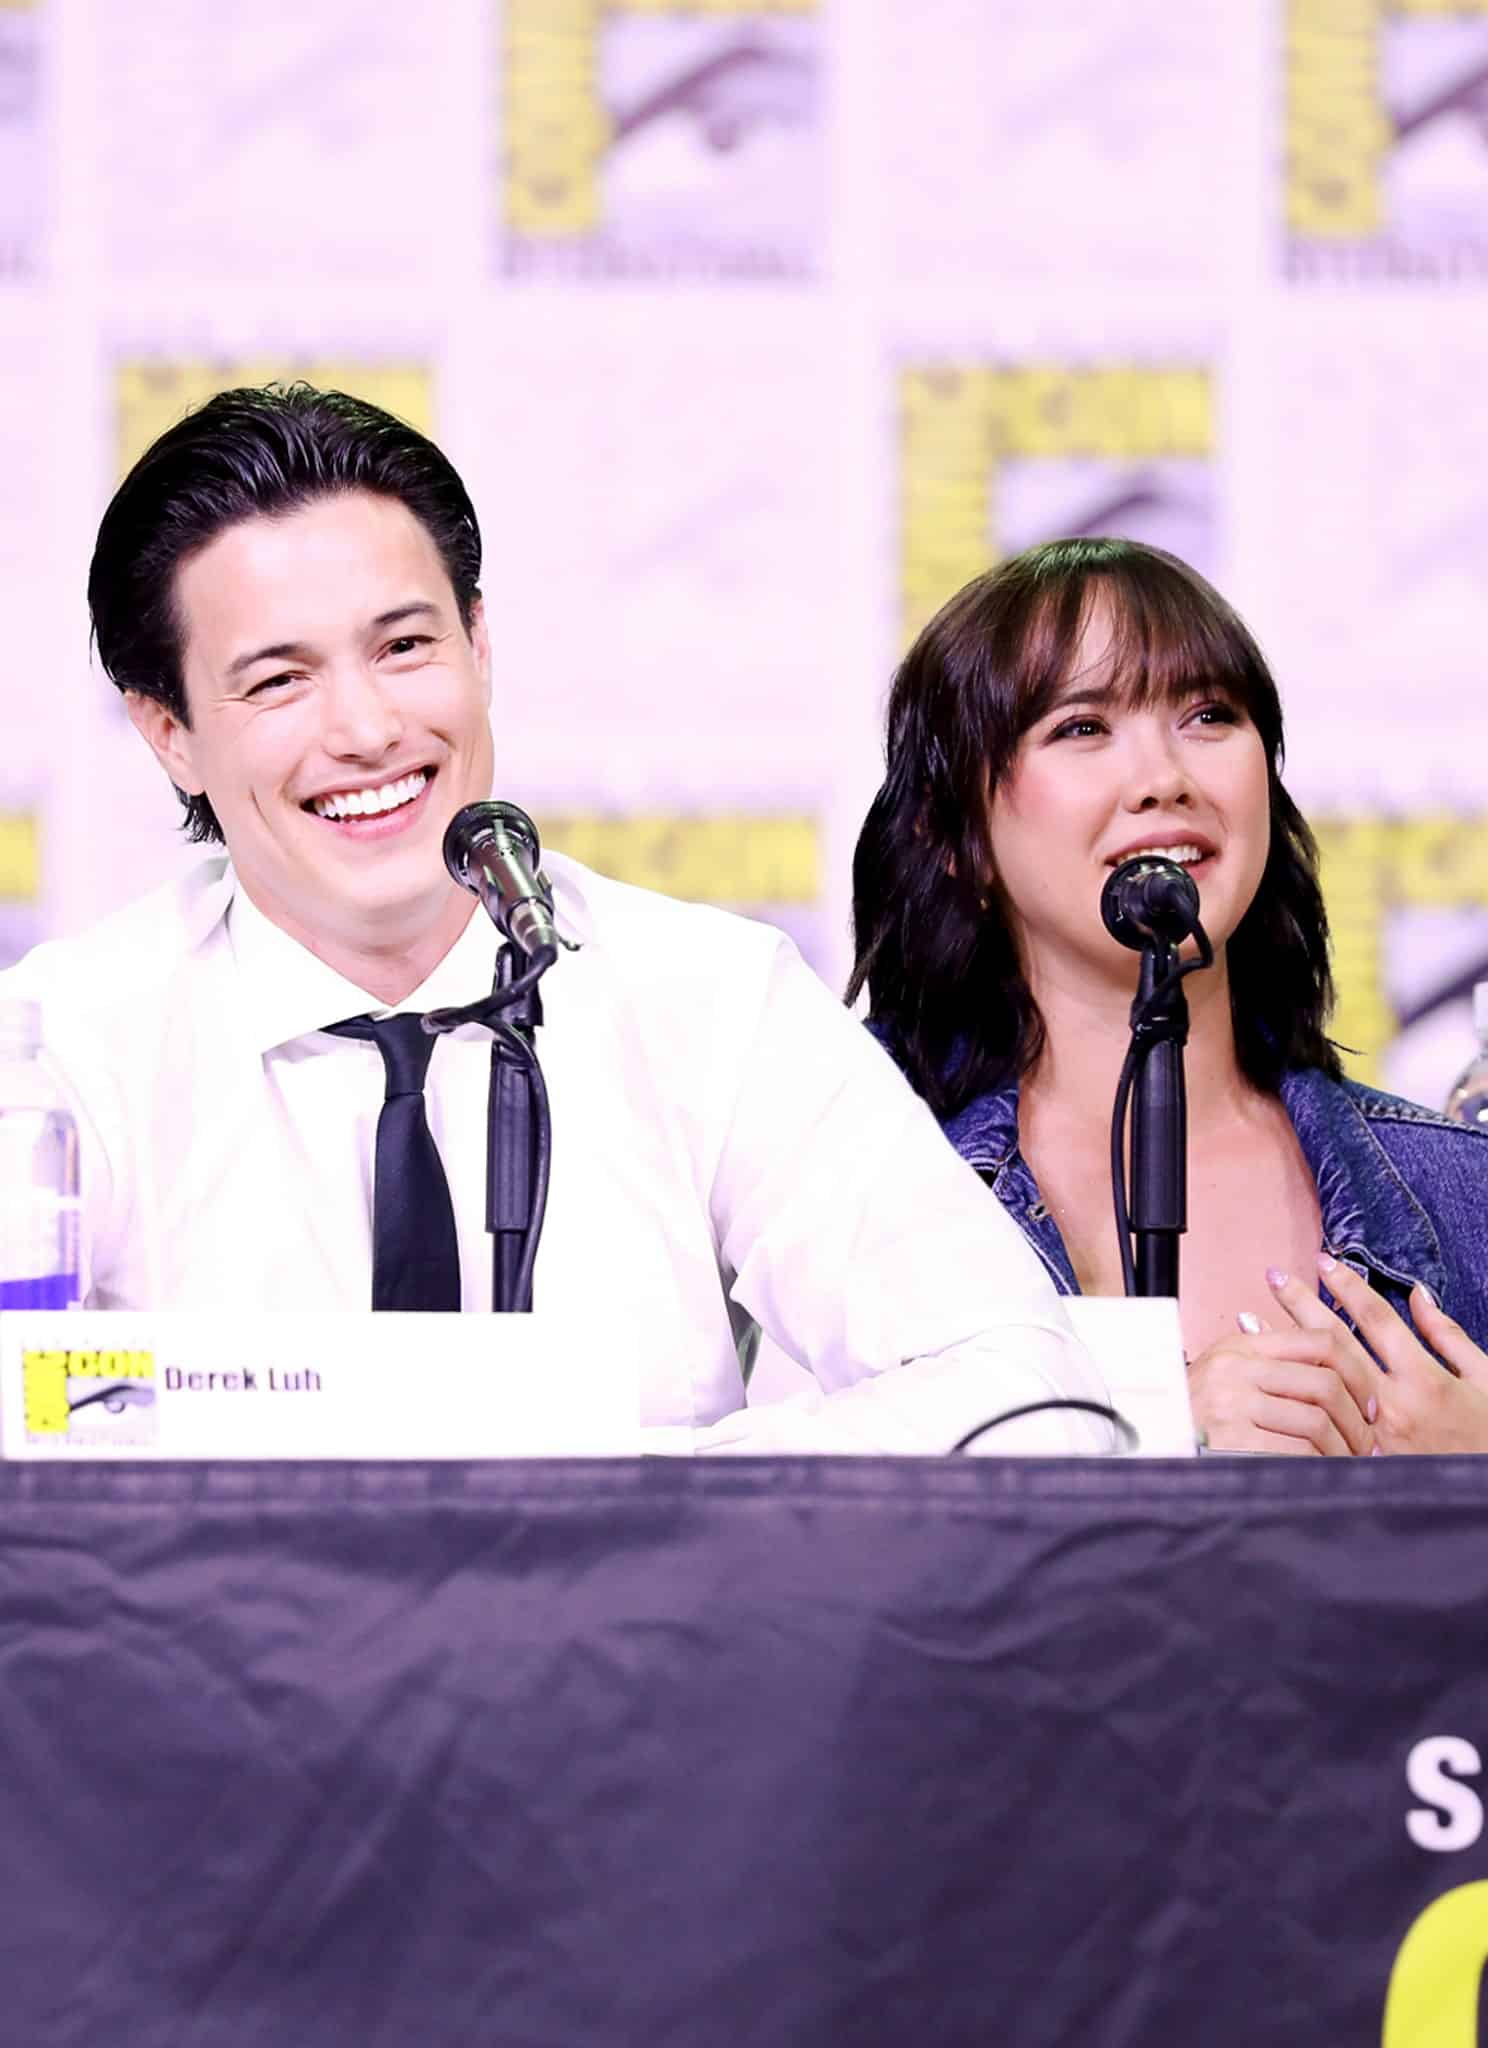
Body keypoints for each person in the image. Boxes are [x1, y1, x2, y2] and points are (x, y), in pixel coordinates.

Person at [3, 383, 1112, 1456]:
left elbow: (1028, 1393)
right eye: (281, 680)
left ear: (479, 646)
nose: (367, 727)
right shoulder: (62, 1046)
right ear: (170, 733)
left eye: (403, 647)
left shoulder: (709, 997)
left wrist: (619, 1504)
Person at [850, 537, 1488, 1456]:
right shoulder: (859, 1184)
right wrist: (1149, 1422)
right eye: (1082, 727)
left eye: (1208, 716)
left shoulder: (1461, 1186)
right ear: (957, 837)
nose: (1164, 780)